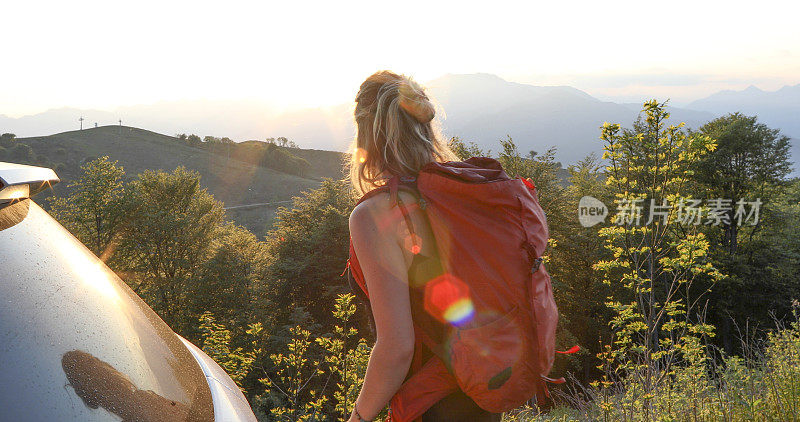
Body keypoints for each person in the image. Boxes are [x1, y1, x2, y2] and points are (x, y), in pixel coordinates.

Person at [344, 70, 501, 422]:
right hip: (484, 392)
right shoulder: (463, 195)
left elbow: (397, 348)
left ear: (366, 132)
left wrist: (358, 418)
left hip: (430, 405)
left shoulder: (375, 215)